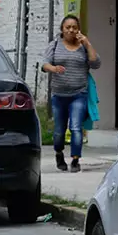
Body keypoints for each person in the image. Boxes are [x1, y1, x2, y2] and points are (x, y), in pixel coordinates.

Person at [41, 15, 102, 172]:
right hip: (59, 95)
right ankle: (59, 153)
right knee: (59, 131)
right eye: (67, 27)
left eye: (74, 27)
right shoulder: (55, 44)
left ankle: (75, 160)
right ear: (62, 29)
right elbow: (45, 64)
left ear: (78, 29)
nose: (71, 30)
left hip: (79, 94)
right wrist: (54, 68)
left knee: (76, 128)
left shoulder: (83, 46)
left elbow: (96, 63)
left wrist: (87, 43)